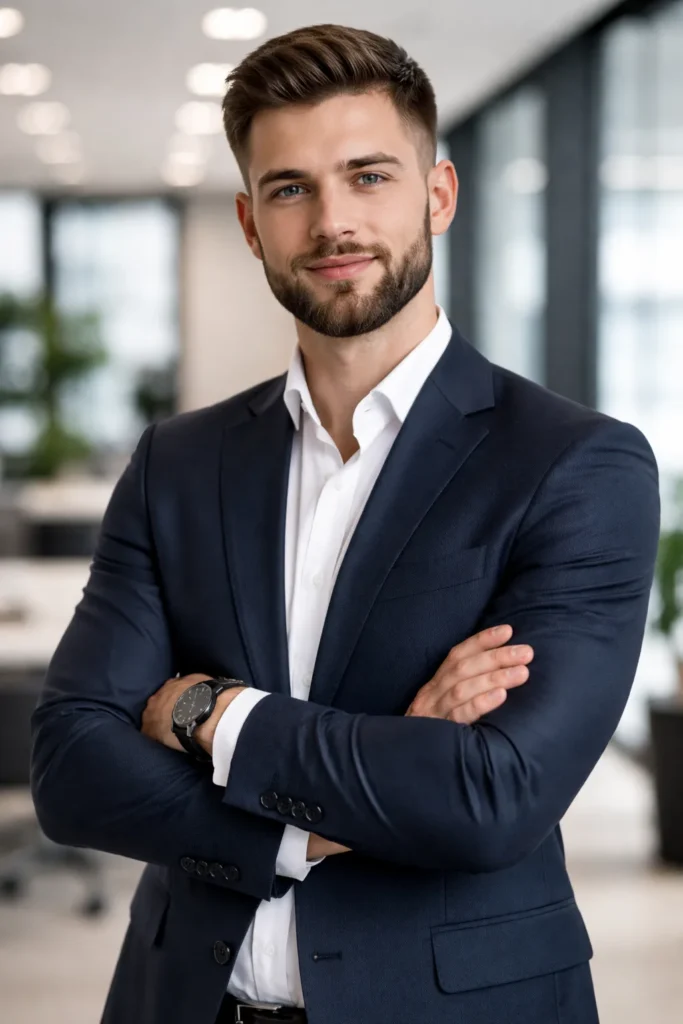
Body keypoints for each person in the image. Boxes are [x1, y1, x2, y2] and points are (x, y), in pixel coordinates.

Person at [30, 22, 660, 1024]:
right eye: (290, 188)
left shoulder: (572, 464)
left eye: (368, 176)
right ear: (248, 222)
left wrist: (208, 714)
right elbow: (71, 768)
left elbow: (489, 796)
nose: (332, 220)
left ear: (438, 195)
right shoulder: (178, 465)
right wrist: (318, 820)